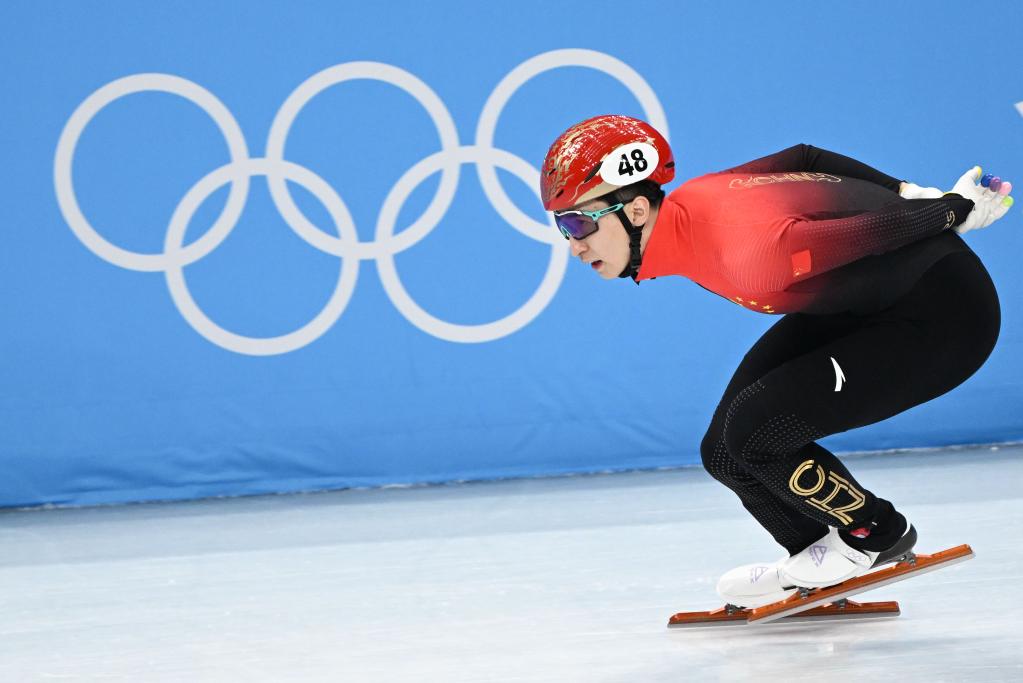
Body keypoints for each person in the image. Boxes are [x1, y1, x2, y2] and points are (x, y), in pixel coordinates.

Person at [540, 115, 1013, 608]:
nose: (574, 245)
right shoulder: (693, 203)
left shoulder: (744, 250)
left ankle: (876, 530)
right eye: (562, 226)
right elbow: (804, 156)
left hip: (943, 317)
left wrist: (951, 209)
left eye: (579, 223)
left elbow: (872, 233)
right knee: (723, 451)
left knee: (755, 430)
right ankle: (815, 555)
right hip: (865, 301)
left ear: (637, 211)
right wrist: (907, 189)